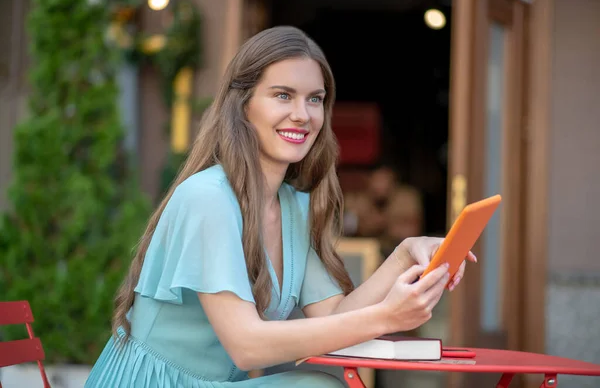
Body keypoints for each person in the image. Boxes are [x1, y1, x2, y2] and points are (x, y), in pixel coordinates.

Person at [84, 26, 476, 388]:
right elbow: (247, 346)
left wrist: (405, 256)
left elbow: (333, 318)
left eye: (315, 99)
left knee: (321, 385)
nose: (302, 114)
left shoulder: (292, 208)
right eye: (283, 95)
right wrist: (386, 317)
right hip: (153, 383)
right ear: (242, 105)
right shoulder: (206, 198)